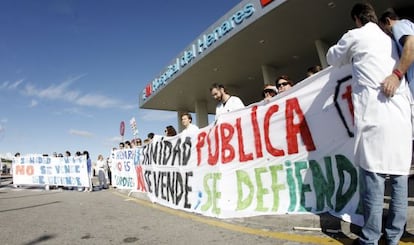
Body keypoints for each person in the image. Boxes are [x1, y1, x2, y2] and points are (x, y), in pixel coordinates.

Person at [326, 3, 412, 244]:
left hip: (375, 117)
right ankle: (393, 237)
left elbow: (332, 57)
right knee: (398, 178)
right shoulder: (389, 39)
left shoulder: (356, 35)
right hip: (401, 116)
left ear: (356, 19)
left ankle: (371, 238)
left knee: (373, 179)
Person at [379, 11, 414, 96]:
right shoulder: (408, 25)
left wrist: (396, 75)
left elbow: (412, 43)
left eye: (383, 29)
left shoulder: (398, 26)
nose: (385, 34)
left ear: (388, 21)